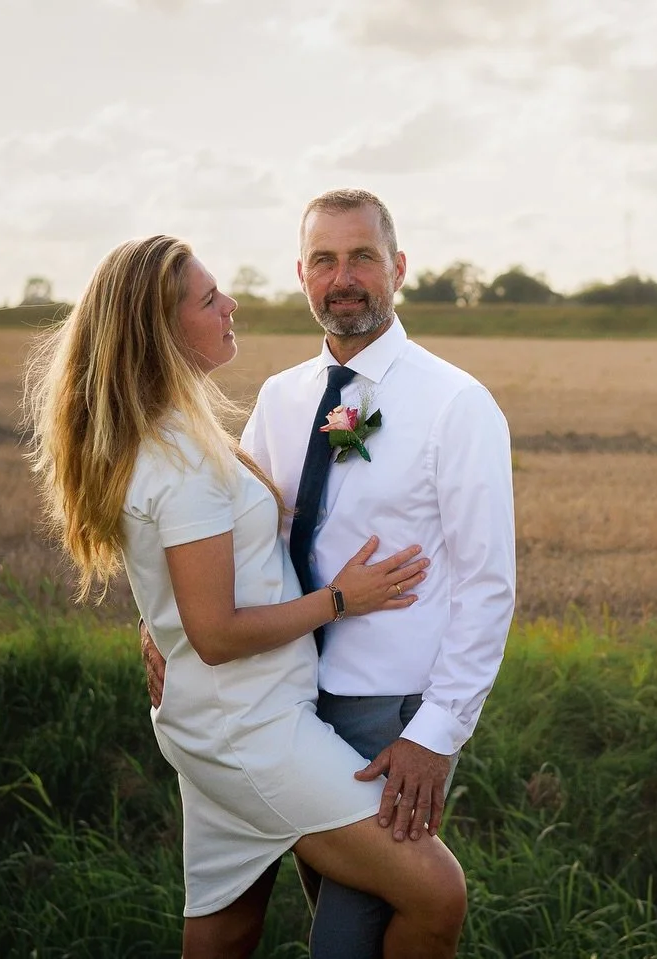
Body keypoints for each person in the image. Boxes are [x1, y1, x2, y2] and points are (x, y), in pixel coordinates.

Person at [23, 234, 469, 959]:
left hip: (220, 716)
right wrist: (339, 600)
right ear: (162, 331)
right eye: (208, 299)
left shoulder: (172, 430)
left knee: (226, 931)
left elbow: (188, 577)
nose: (230, 304)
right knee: (435, 891)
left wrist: (157, 622)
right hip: (251, 729)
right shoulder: (183, 457)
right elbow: (216, 631)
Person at [141, 188, 518, 957]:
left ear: (399, 268)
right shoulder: (281, 400)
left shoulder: (456, 404)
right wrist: (159, 621)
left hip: (385, 714)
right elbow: (232, 537)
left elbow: (489, 586)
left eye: (362, 257)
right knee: (302, 924)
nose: (342, 277)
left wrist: (436, 734)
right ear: (302, 275)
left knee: (353, 936)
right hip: (281, 700)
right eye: (324, 260)